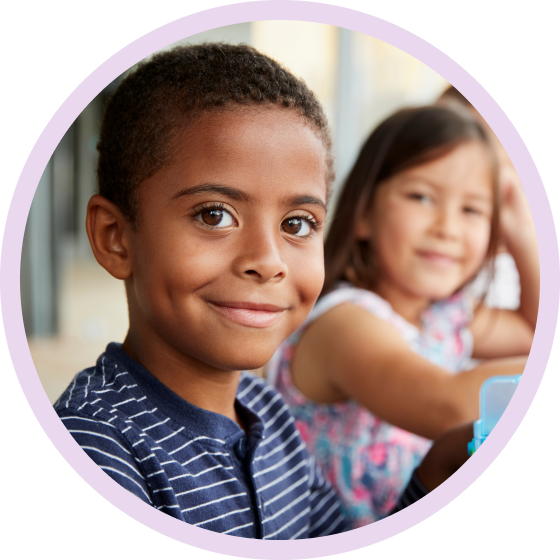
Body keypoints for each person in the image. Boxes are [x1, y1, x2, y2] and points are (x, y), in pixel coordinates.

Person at [54, 42, 347, 539]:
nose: (268, 261)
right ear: (115, 237)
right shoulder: (94, 448)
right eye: (214, 215)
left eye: (298, 224)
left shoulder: (269, 413)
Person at [268, 104, 538, 528]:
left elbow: (532, 330)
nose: (447, 227)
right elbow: (450, 407)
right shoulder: (344, 323)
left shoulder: (446, 317)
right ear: (362, 215)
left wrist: (523, 231)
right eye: (421, 197)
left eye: (472, 210)